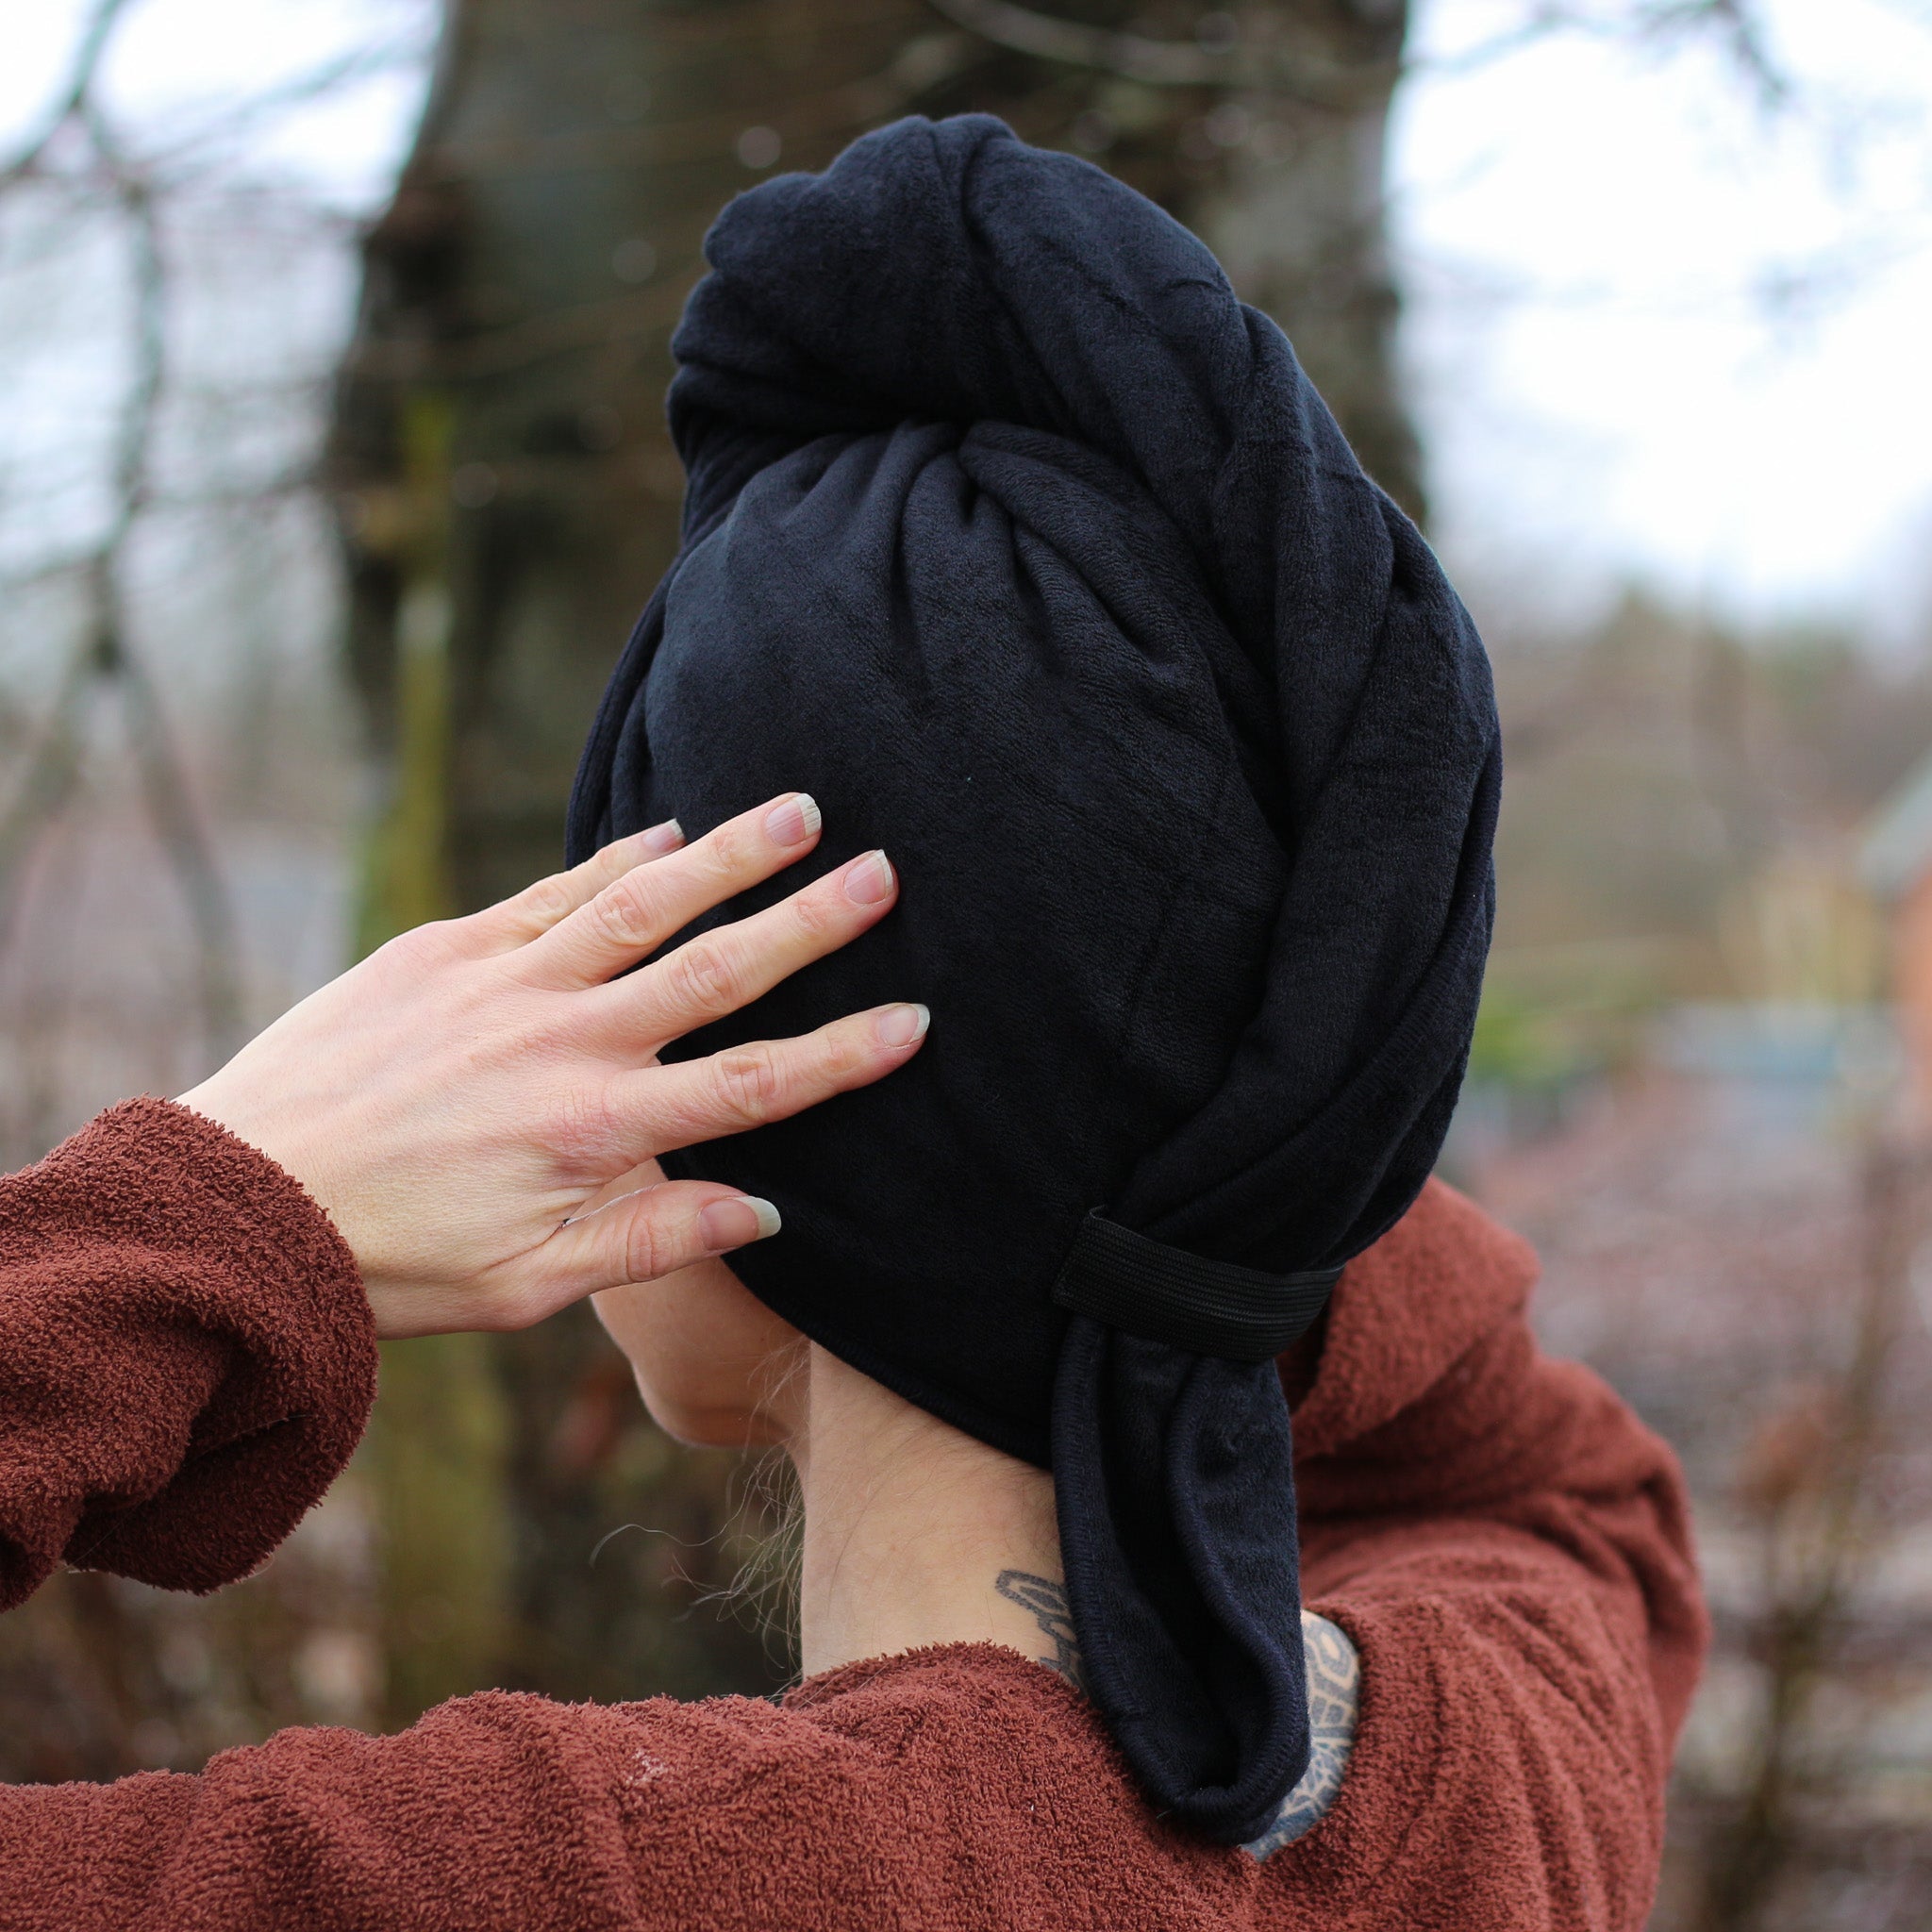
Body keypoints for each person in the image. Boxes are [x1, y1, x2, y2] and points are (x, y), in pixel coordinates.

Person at [1, 115, 1708, 1930]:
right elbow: (1563, 1479)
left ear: (709, 1095)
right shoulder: (1494, 1767)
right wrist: (1194, 1169)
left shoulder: (565, 1884)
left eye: (592, 998)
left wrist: (230, 1211)